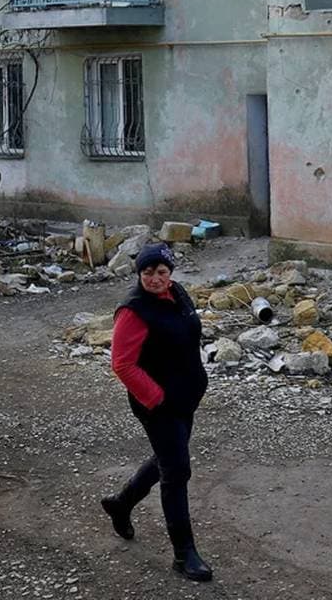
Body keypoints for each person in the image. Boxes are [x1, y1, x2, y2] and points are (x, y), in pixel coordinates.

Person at [101, 243, 213, 581]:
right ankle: (184, 555)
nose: (154, 278)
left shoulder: (177, 294)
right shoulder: (134, 310)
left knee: (167, 461)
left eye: (161, 272)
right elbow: (122, 364)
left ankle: (121, 504)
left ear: (171, 274)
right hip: (159, 406)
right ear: (139, 274)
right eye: (147, 272)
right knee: (177, 472)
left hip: (185, 399)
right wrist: (157, 398)